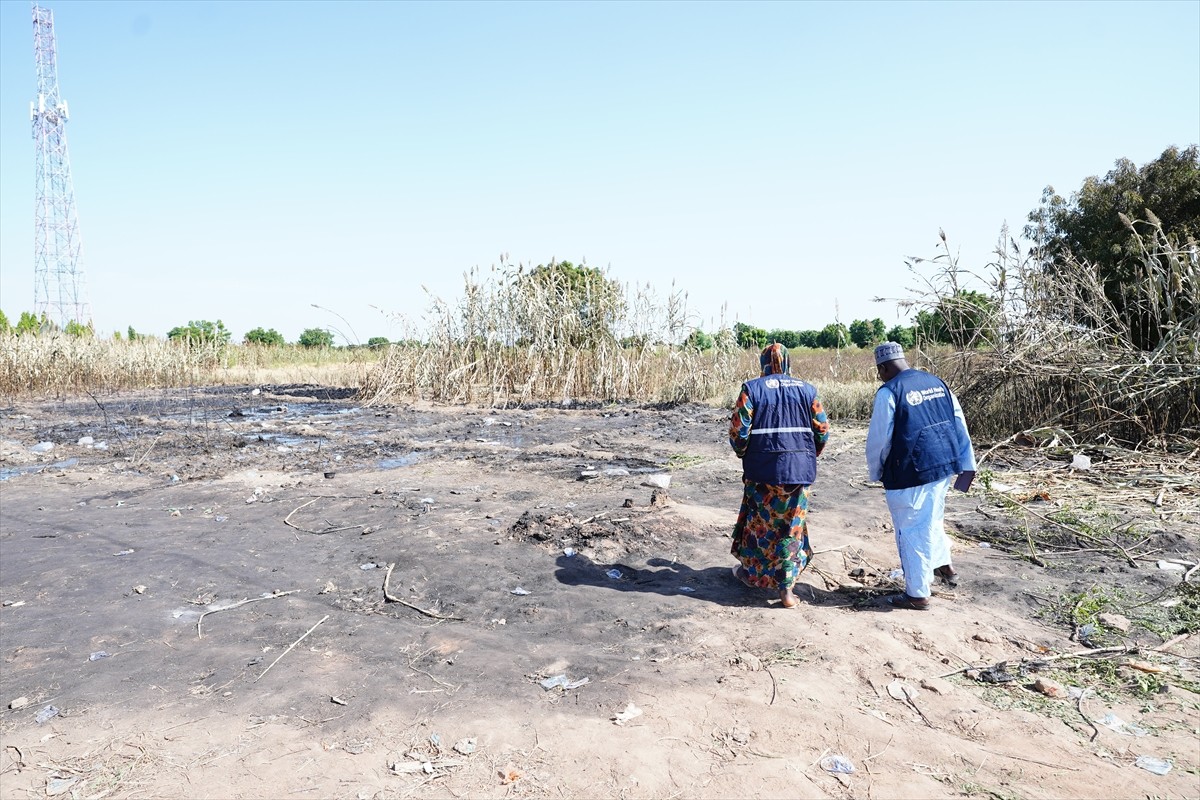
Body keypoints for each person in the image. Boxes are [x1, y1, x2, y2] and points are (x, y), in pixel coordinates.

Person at [866, 341, 976, 611]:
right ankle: (945, 567)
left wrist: (876, 470)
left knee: (911, 530)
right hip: (943, 465)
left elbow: (880, 440)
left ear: (883, 367)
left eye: (879, 371)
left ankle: (917, 594)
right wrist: (965, 461)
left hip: (910, 471)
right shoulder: (936, 382)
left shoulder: (889, 392)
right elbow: (958, 421)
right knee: (932, 517)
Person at [728, 343, 831, 608]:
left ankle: (751, 575)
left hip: (762, 473)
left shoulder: (752, 389)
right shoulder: (808, 390)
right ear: (787, 363)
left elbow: (739, 432)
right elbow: (822, 431)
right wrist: (808, 454)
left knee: (758, 527)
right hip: (799, 472)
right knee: (791, 529)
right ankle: (786, 591)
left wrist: (744, 454)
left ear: (762, 364)